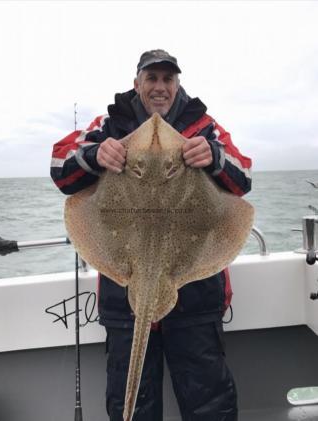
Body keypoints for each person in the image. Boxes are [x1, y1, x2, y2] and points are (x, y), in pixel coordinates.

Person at [51, 49, 252, 421]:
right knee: (132, 407)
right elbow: (60, 168)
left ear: (177, 84)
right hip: (125, 292)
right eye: (152, 78)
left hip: (194, 291)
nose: (160, 87)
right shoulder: (109, 126)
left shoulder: (205, 128)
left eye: (167, 79)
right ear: (137, 83)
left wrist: (214, 158)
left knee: (209, 404)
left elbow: (243, 178)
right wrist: (96, 155)